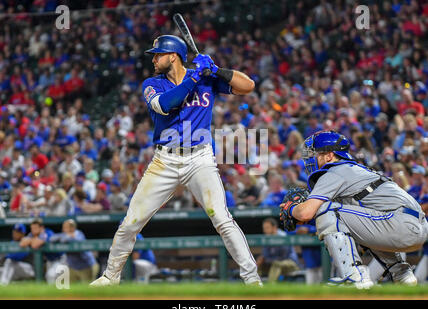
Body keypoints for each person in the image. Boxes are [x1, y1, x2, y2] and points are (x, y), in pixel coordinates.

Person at [90, 35, 262, 286]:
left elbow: (248, 86)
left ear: (173, 56)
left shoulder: (206, 77)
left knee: (222, 219)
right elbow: (165, 104)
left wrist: (216, 70)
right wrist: (195, 77)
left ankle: (252, 280)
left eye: (158, 55)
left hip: (200, 158)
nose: (154, 60)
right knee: (131, 222)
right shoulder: (153, 83)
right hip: (165, 161)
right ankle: (110, 276)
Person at [280, 130, 428, 289]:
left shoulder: (334, 171)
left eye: (316, 154)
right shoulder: (355, 169)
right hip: (415, 225)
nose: (311, 158)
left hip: (400, 223)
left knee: (329, 210)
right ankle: (404, 276)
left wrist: (291, 208)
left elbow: (306, 212)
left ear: (329, 156)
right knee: (349, 218)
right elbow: (348, 218)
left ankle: (354, 276)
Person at [19, 218, 65, 284]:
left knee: (51, 275)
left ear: (42, 228)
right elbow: (22, 243)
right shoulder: (33, 235)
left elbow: (35, 245)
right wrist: (33, 239)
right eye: (32, 228)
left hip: (61, 259)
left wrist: (31, 241)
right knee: (50, 277)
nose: (33, 230)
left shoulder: (47, 233)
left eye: (35, 228)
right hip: (50, 260)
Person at [256, 218, 300, 283]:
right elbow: (265, 255)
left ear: (274, 228)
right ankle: (254, 287)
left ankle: (270, 288)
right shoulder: (267, 238)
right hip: (274, 263)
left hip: (291, 264)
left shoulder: (282, 236)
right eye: (264, 228)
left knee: (276, 264)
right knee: (256, 265)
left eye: (267, 228)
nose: (265, 230)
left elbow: (283, 257)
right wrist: (261, 260)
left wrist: (267, 259)